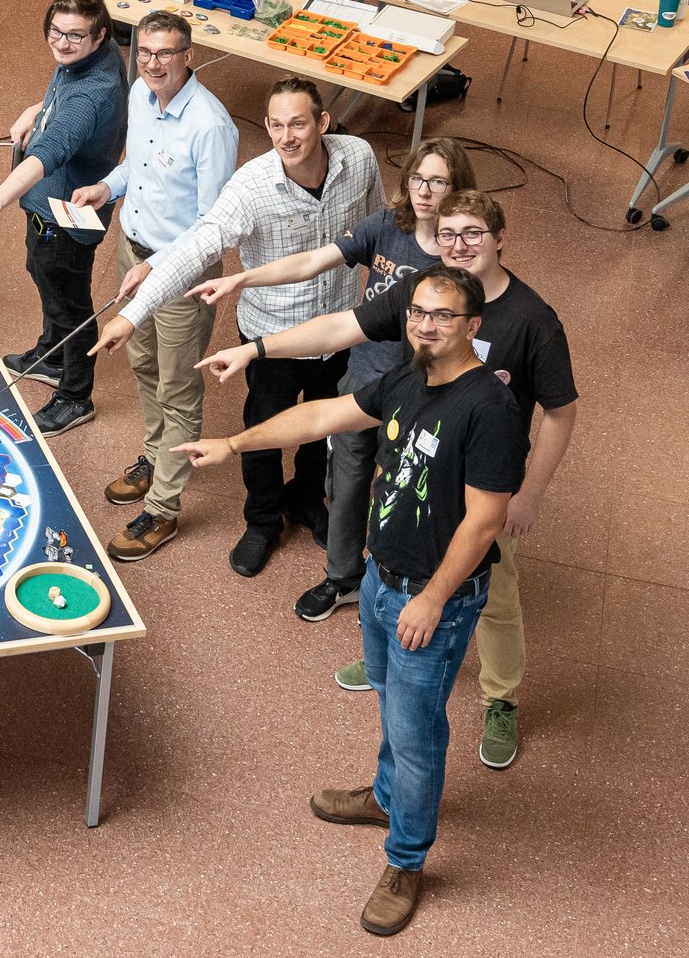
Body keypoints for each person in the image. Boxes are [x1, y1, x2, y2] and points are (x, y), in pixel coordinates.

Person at [176, 266, 525, 936]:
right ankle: (388, 798)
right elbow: (322, 413)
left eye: (442, 315)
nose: (425, 324)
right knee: (395, 706)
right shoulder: (406, 377)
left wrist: (432, 599)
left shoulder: (489, 409)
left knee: (418, 734)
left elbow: (484, 523)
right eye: (418, 311)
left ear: (472, 326)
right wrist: (234, 442)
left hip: (435, 600)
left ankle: (406, 860)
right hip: (378, 580)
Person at [198, 191, 576, 770]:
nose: (459, 246)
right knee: (390, 573)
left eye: (473, 233)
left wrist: (530, 493)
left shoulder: (533, 321)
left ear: (501, 239)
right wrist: (256, 350)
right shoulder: (421, 291)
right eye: (448, 234)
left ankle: (501, 698)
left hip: (481, 488)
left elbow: (559, 411)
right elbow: (337, 331)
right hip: (414, 470)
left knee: (490, 595)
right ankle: (388, 662)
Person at [92, 77, 380, 577]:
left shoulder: (358, 159)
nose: (286, 136)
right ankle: (263, 521)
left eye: (298, 123)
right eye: (276, 125)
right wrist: (131, 315)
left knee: (323, 423)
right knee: (263, 429)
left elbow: (377, 225)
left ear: (323, 123)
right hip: (270, 335)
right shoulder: (251, 186)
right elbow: (197, 249)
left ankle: (308, 499)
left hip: (338, 324)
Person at [190, 138, 476, 620]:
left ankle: (399, 593)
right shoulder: (386, 227)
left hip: (418, 402)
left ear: (457, 188)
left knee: (402, 497)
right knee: (345, 486)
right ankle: (343, 578)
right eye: (416, 179)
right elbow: (310, 262)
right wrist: (243, 279)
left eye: (438, 182)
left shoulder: (459, 264)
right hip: (362, 384)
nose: (425, 192)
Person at [64, 11, 237, 561]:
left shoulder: (210, 126)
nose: (153, 63)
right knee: (141, 363)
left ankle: (163, 510)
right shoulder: (141, 92)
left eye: (166, 53)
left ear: (189, 55)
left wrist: (158, 264)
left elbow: (215, 227)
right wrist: (104, 187)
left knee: (177, 384)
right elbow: (136, 169)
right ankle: (157, 453)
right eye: (145, 52)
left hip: (179, 273)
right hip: (131, 251)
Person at [0, 0, 127, 437]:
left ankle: (75, 396)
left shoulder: (91, 96)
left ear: (100, 34)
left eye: (74, 36)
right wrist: (37, 108)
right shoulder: (96, 54)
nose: (62, 43)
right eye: (56, 31)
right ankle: (52, 356)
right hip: (53, 208)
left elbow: (49, 152)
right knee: (43, 271)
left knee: (69, 302)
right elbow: (62, 98)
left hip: (65, 217)